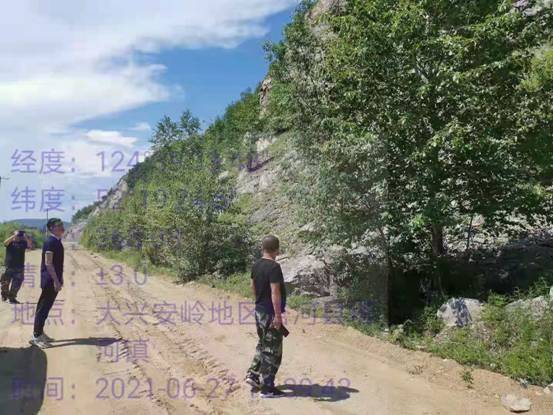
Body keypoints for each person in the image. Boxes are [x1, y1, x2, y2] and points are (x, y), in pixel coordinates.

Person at [245, 235, 287, 398]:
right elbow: (275, 292)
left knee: (263, 343)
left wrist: (259, 301)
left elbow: (252, 286)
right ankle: (267, 388)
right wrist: (277, 316)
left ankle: (253, 374)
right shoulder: (274, 267)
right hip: (270, 313)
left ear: (262, 248)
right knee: (273, 350)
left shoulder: (256, 265)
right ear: (277, 249)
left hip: (259, 310)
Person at [29, 218, 65, 349]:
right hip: (49, 280)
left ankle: (40, 333)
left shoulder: (57, 241)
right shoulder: (50, 242)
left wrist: (60, 278)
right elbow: (48, 263)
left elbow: (57, 263)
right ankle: (36, 336)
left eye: (61, 224)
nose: (61, 227)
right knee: (43, 308)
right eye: (58, 225)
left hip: (54, 279)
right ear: (51, 228)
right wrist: (55, 280)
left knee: (46, 308)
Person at [1, 230, 33, 304]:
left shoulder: (23, 243)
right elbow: (5, 243)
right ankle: (4, 295)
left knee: (17, 283)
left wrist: (26, 237)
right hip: (7, 266)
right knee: (4, 282)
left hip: (19, 267)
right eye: (18, 235)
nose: (19, 237)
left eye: (20, 236)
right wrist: (14, 235)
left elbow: (30, 246)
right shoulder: (10, 242)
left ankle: (12, 298)